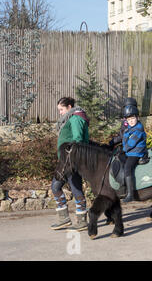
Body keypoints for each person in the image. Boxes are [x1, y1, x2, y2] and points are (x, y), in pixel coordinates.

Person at [51, 97, 90, 231]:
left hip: (71, 160)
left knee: (73, 187)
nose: (60, 112)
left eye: (61, 109)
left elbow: (77, 139)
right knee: (59, 186)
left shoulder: (75, 118)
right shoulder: (70, 118)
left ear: (69, 107)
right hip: (65, 161)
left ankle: (81, 220)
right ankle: (64, 218)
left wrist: (70, 157)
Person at [121, 105, 147, 202]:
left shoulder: (138, 129)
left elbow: (131, 143)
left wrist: (124, 149)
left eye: (133, 118)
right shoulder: (130, 129)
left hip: (136, 153)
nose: (131, 121)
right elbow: (125, 140)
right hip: (130, 152)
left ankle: (130, 194)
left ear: (137, 118)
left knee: (128, 167)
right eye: (129, 119)